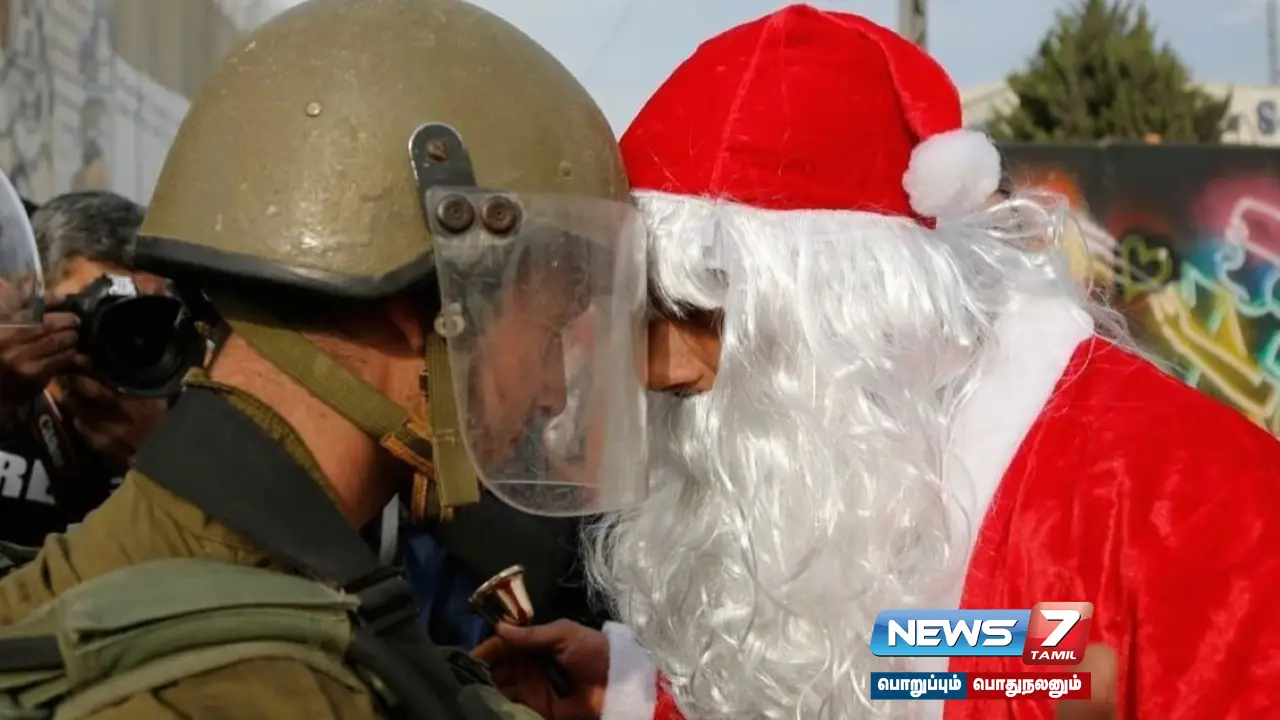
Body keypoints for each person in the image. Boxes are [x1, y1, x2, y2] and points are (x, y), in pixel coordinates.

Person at [474, 6, 1280, 720]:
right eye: (641, 311)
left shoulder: (1190, 510)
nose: (665, 371)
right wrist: (641, 691)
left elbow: (1064, 662)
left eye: (696, 311)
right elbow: (899, 662)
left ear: (849, 309)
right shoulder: (867, 458)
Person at [0, 0, 646, 717]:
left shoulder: (196, 590)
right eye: (551, 328)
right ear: (421, 306)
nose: (555, 390)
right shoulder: (272, 688)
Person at [0, 191, 168, 545]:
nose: (128, 336)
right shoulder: (9, 403)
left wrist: (161, 461)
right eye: (104, 309)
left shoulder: (187, 425)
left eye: (146, 315)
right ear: (34, 300)